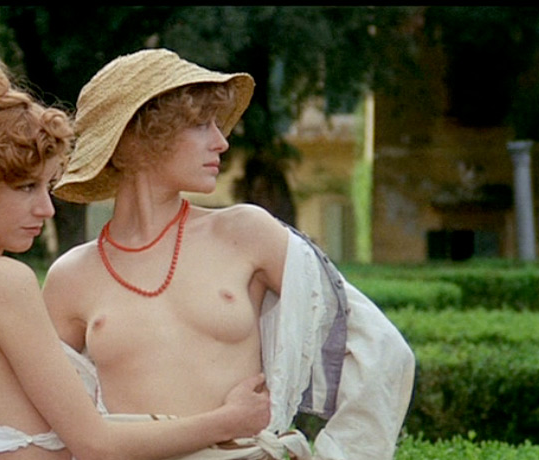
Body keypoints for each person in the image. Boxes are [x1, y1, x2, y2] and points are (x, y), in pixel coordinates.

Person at [0, 52, 272, 460]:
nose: (46, 208)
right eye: (26, 188)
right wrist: (229, 420)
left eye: (47, 186)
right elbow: (96, 445)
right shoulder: (1, 281)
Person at [45, 48, 416, 460]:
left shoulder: (247, 233)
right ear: (135, 139)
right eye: (200, 125)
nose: (221, 142)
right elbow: (45, 424)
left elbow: (383, 352)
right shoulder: (70, 278)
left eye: (217, 125)